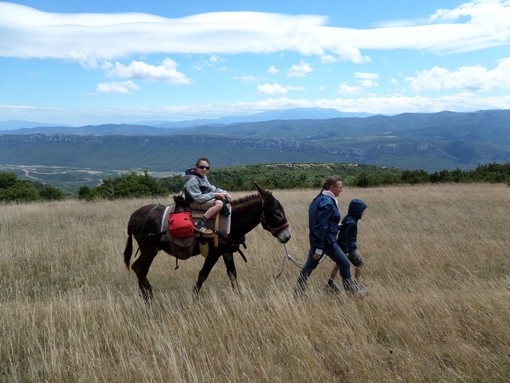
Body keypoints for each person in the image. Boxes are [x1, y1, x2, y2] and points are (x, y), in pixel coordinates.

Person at [295, 176, 360, 296]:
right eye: (340, 187)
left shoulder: (319, 199)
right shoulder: (327, 202)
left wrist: (339, 226)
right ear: (332, 187)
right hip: (326, 242)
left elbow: (324, 223)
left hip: (318, 241)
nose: (342, 190)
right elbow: (321, 227)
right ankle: (351, 292)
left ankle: (298, 293)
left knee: (309, 267)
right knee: (345, 263)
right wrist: (319, 248)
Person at [325, 198, 368, 293]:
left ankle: (330, 283)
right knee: (360, 264)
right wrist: (346, 251)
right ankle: (356, 285)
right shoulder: (352, 223)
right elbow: (344, 237)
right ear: (357, 211)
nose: (363, 213)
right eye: (362, 211)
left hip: (341, 247)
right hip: (349, 249)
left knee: (339, 264)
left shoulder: (348, 218)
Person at [183, 157, 232, 234]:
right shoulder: (192, 181)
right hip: (194, 202)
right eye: (202, 167)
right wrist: (214, 195)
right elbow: (198, 198)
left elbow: (211, 188)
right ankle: (200, 223)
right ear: (196, 168)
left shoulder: (203, 177)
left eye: (207, 168)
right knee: (219, 204)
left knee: (227, 199)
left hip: (202, 199)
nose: (204, 169)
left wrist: (224, 193)